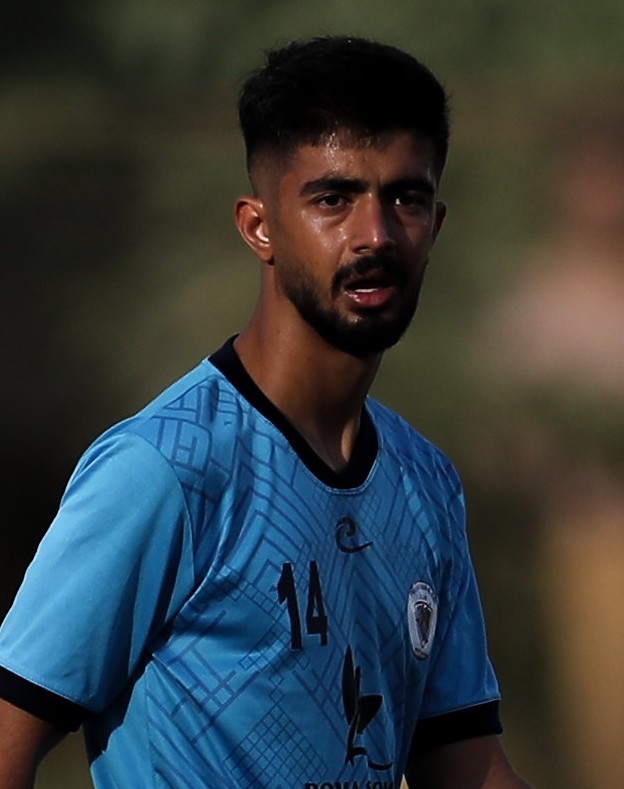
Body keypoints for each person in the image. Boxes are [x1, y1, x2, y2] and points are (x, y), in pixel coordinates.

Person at [0, 36, 531, 788]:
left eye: (405, 199)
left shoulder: (426, 484)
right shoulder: (166, 470)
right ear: (259, 227)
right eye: (333, 199)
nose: (375, 235)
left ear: (436, 225)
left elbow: (466, 764)